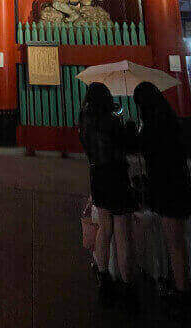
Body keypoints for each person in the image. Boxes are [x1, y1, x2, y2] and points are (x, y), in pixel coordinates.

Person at [133, 82, 191, 318]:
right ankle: (181, 283)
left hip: (166, 186)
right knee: (177, 240)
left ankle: (182, 292)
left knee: (173, 241)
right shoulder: (170, 120)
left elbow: (146, 148)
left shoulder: (152, 126)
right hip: (178, 182)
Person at [78, 82, 136, 303]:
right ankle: (127, 282)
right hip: (117, 176)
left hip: (98, 176)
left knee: (104, 227)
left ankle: (103, 277)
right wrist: (129, 128)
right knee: (122, 231)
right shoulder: (111, 121)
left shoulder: (84, 122)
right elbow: (127, 146)